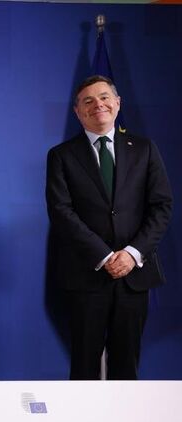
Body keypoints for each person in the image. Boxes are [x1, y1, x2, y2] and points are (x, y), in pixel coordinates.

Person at [46, 75, 173, 380]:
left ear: (117, 103)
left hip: (134, 275)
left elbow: (161, 206)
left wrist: (132, 254)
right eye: (88, 101)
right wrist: (104, 256)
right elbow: (61, 212)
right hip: (85, 275)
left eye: (104, 97)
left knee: (126, 366)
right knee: (84, 366)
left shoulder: (144, 149)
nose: (98, 105)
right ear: (78, 112)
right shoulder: (61, 155)